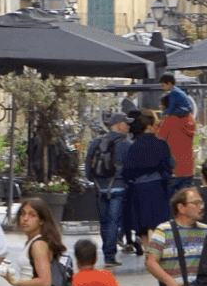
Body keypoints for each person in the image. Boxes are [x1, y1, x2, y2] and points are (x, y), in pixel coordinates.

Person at [121, 111, 175, 242]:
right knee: (157, 224)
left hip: (139, 189)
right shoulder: (161, 144)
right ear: (149, 126)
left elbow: (127, 170)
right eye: (155, 125)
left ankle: (146, 248)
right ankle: (155, 249)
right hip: (158, 187)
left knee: (143, 225)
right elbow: (170, 164)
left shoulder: (133, 146)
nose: (157, 127)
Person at [85, 117, 130, 265]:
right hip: (118, 187)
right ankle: (110, 256)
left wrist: (94, 180)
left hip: (100, 187)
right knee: (113, 222)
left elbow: (88, 165)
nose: (128, 126)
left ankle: (107, 253)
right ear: (118, 125)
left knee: (104, 222)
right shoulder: (125, 144)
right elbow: (131, 167)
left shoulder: (96, 142)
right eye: (126, 124)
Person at [157, 74, 198, 190]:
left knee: (171, 200)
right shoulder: (190, 119)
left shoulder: (169, 120)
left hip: (173, 170)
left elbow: (159, 141)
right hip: (188, 168)